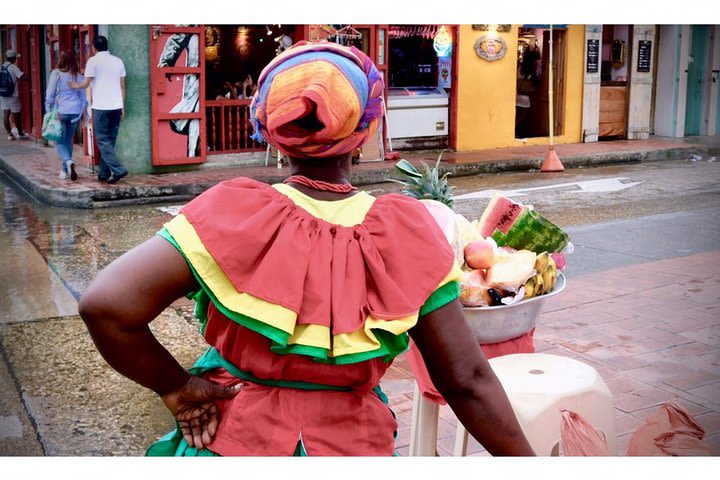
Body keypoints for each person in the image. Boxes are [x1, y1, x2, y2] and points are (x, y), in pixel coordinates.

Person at [78, 41, 535, 457]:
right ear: (364, 131)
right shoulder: (407, 232)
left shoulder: (232, 212)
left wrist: (176, 387)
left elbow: (106, 306)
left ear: (273, 134)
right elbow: (468, 381)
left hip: (232, 438)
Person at [69, 36, 128, 184]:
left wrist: (74, 85)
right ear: (107, 46)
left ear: (94, 48)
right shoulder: (118, 61)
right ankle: (103, 173)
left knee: (102, 140)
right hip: (116, 107)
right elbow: (122, 86)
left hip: (101, 107)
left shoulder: (92, 61)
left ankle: (118, 169)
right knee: (110, 141)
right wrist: (122, 106)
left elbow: (86, 83)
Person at [45, 51, 88, 181]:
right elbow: (83, 97)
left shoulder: (56, 73)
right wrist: (82, 114)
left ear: (61, 61)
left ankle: (68, 162)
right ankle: (64, 171)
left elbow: (50, 93)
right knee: (68, 140)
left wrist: (48, 108)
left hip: (61, 112)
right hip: (75, 112)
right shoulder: (78, 76)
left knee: (59, 140)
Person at [1, 50, 30, 141]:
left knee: (6, 113)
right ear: (13, 58)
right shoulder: (13, 67)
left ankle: (10, 134)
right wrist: (30, 79)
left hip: (3, 93)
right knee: (16, 114)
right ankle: (20, 134)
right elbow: (22, 77)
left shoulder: (1, 66)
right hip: (13, 94)